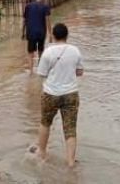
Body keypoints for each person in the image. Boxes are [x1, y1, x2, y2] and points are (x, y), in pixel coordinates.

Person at [33, 23, 84, 167]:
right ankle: (70, 163)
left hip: (51, 93)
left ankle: (41, 153)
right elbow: (80, 72)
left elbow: (42, 74)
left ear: (53, 36)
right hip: (71, 94)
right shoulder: (75, 51)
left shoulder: (48, 52)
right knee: (70, 129)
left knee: (45, 123)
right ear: (67, 36)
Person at [22, 0, 52, 72]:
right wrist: (50, 34)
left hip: (31, 32)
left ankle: (31, 72)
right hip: (41, 33)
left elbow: (24, 20)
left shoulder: (28, 6)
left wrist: (23, 32)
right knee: (41, 51)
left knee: (30, 52)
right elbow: (47, 21)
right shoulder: (45, 7)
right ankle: (40, 69)